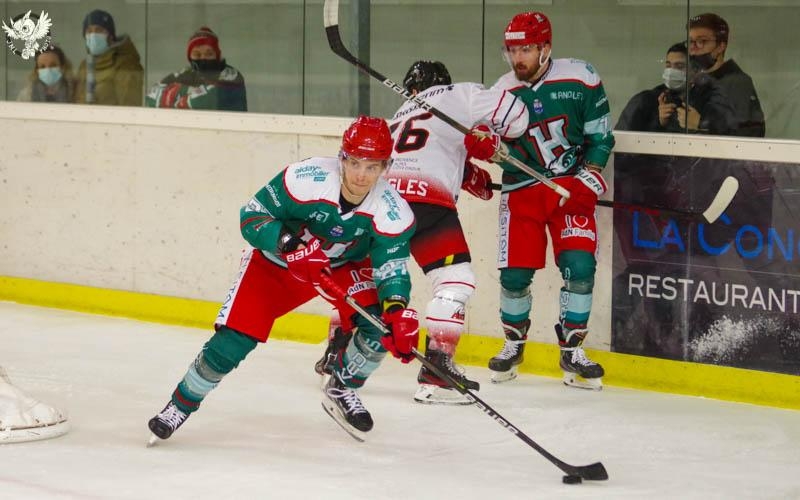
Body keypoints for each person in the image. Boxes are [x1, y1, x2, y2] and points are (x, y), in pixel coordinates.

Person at [147, 116, 419, 443]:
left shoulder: (393, 211)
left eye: (372, 167)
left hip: (341, 266)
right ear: (342, 157)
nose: (361, 175)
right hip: (278, 263)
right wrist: (290, 244)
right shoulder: (305, 178)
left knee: (380, 326)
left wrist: (397, 308)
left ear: (386, 167)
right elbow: (252, 217)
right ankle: (179, 405)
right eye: (355, 162)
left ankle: (342, 387)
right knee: (234, 339)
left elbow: (392, 266)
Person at [314, 61, 529, 405]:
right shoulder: (460, 95)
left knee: (361, 277)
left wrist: (470, 172)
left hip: (382, 201)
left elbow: (428, 151)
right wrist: (492, 140)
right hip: (428, 204)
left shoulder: (400, 114)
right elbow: (517, 117)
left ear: (412, 89)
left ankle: (335, 353)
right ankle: (437, 371)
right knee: (454, 279)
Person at [463, 11, 615, 390]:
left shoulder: (581, 77)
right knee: (514, 276)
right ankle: (514, 344)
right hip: (521, 193)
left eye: (526, 49)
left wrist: (590, 176)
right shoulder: (500, 91)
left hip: (570, 192)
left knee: (579, 268)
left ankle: (572, 349)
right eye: (512, 50)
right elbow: (489, 142)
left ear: (546, 48)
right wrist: (487, 145)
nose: (518, 59)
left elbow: (601, 137)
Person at [616, 42, 737, 135]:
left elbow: (731, 142)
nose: (671, 71)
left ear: (695, 72)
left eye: (679, 66)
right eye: (668, 65)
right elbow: (624, 144)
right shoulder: (646, 100)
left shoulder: (712, 102)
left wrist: (700, 125)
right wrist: (659, 122)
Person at [687, 13, 765, 137]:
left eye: (701, 41)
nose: (693, 48)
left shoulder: (737, 82)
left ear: (720, 46)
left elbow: (751, 133)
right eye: (690, 41)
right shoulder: (699, 82)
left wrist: (701, 124)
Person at [145, 26, 247, 111]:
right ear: (190, 58)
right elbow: (150, 97)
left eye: (209, 54)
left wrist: (177, 92)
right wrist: (192, 93)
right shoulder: (187, 72)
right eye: (197, 54)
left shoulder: (232, 76)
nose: (203, 58)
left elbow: (204, 102)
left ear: (217, 55)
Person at [74, 9, 143, 106]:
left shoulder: (126, 65)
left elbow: (129, 109)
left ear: (110, 36)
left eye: (99, 30)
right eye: (89, 31)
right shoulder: (85, 65)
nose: (93, 35)